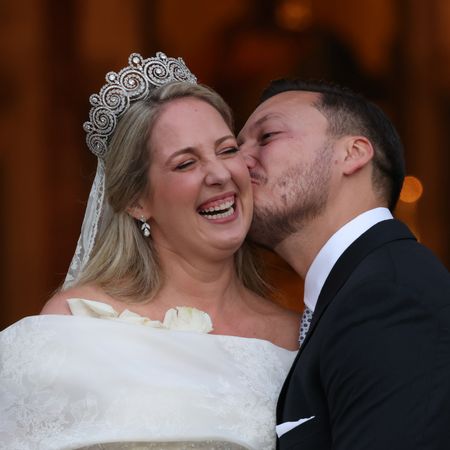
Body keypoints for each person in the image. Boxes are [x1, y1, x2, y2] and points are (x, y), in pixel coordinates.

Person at [0, 53, 300, 450]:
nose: (219, 174)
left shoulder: (298, 336)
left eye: (227, 150)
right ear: (137, 201)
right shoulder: (76, 323)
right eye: (185, 163)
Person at [238, 79, 450, 450]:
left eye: (267, 136)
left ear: (353, 153)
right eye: (236, 147)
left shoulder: (388, 296)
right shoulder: (358, 289)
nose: (239, 163)